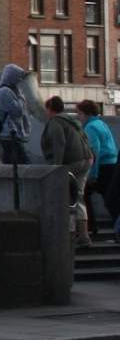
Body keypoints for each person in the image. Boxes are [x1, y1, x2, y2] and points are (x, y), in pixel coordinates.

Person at [41, 95, 94, 247]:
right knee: (79, 196)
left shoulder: (56, 122)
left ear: (50, 109)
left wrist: (57, 167)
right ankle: (83, 235)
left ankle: (67, 233)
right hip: (87, 159)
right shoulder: (73, 121)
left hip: (73, 162)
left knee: (64, 196)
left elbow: (59, 143)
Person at [76, 100, 116, 241]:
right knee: (111, 199)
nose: (78, 116)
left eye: (79, 113)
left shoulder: (90, 128)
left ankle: (90, 227)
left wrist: (93, 174)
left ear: (86, 114)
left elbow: (94, 152)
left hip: (102, 167)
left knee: (83, 195)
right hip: (111, 164)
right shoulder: (101, 123)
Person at [0, 64, 32, 164]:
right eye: (18, 77)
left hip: (12, 135)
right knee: (23, 164)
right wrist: (21, 97)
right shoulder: (5, 92)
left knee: (14, 163)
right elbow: (18, 111)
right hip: (9, 135)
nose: (20, 80)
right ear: (12, 76)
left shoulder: (11, 90)